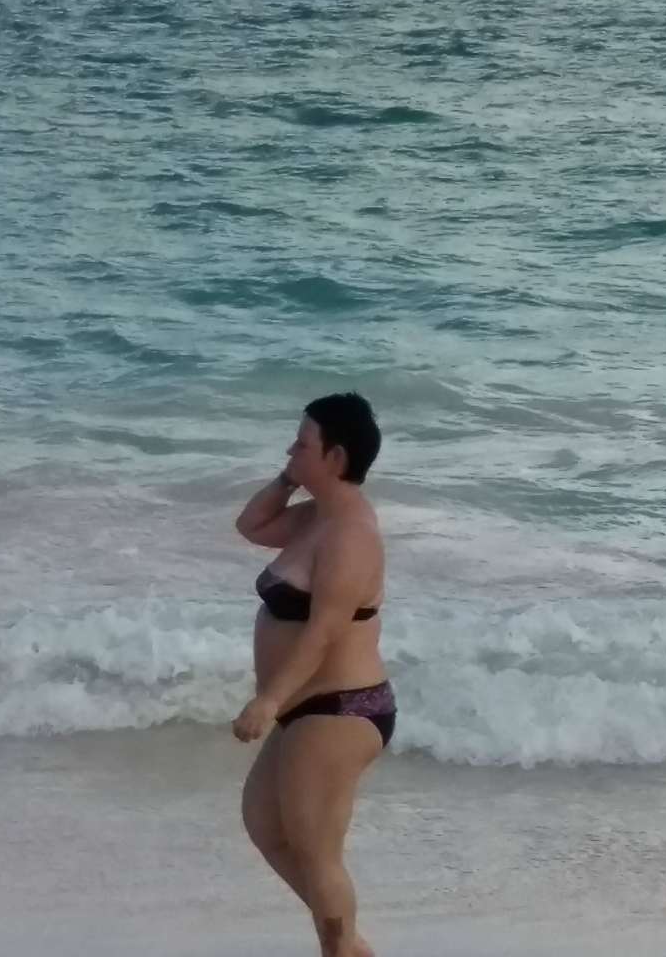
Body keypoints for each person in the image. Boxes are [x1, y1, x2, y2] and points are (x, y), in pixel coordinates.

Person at [231, 392, 391, 957]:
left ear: (336, 457)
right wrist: (290, 477)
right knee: (265, 824)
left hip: (341, 708)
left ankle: (340, 946)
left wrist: (269, 701)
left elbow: (323, 632)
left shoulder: (351, 536)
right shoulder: (316, 517)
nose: (290, 450)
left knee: (317, 854)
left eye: (302, 445)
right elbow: (251, 524)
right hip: (308, 707)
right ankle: (349, 943)